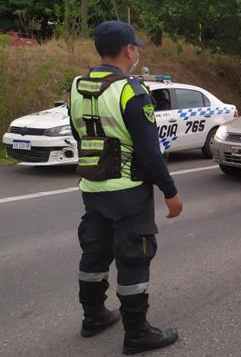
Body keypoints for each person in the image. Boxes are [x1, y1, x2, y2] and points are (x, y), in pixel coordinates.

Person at [69, 21, 182, 355]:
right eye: (135, 47)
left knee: (95, 251)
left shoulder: (77, 85)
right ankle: (137, 334)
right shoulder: (131, 91)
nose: (136, 52)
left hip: (92, 186)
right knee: (134, 258)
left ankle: (93, 318)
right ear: (128, 50)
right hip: (128, 191)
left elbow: (80, 135)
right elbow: (149, 151)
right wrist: (170, 190)